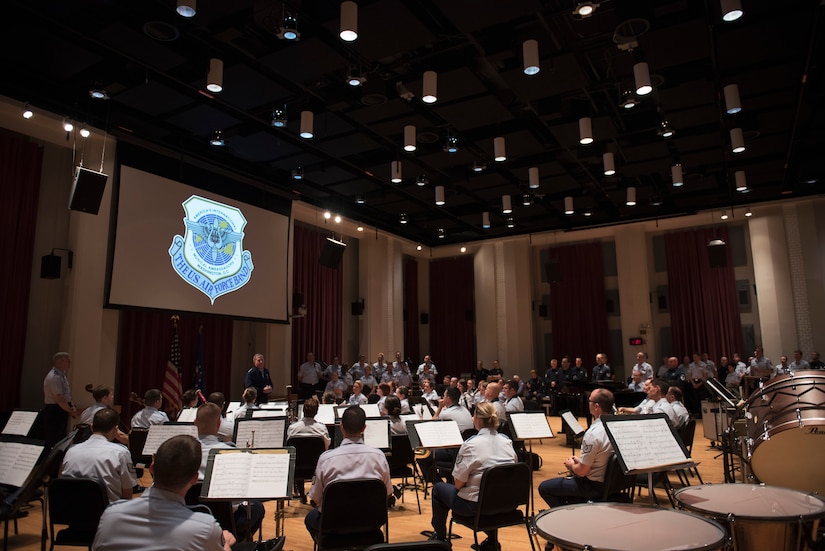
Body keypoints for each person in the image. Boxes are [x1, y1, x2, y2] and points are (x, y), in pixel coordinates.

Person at [93, 434, 236, 551]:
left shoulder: (110, 516)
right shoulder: (205, 527)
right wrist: (226, 545)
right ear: (194, 479)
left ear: (152, 469)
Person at [429, 402, 516, 549]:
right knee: (493, 491)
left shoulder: (470, 445)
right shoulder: (507, 442)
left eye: (474, 415)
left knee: (438, 489)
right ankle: (492, 542)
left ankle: (440, 538)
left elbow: (458, 484)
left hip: (475, 507)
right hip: (507, 503)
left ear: (478, 420)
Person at [305, 406, 392, 538]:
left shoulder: (326, 459)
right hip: (370, 523)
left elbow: (316, 499)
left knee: (310, 517)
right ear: (364, 428)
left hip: (333, 524)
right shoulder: (379, 456)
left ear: (341, 427)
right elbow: (387, 493)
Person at [195, 404, 264, 539]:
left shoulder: (183, 450)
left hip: (191, 517)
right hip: (227, 520)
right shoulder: (231, 452)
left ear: (195, 422)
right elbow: (242, 493)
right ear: (219, 423)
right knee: (258, 507)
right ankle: (237, 541)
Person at [538, 389, 614, 508]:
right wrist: (582, 461)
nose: (587, 403)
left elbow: (582, 472)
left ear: (596, 406)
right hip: (613, 484)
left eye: (590, 401)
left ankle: (571, 517)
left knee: (544, 488)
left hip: (593, 486)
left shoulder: (593, 433)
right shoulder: (617, 427)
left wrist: (571, 465)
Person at [61, 407, 137, 503]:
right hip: (106, 513)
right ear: (115, 430)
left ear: (92, 427)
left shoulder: (71, 451)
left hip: (71, 511)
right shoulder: (121, 452)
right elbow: (127, 492)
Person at [42, 351, 77, 449]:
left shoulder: (62, 375)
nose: (70, 363)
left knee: (61, 438)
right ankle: (49, 462)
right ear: (60, 362)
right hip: (55, 410)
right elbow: (59, 399)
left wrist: (71, 407)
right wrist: (71, 411)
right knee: (54, 439)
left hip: (61, 409)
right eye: (67, 361)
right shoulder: (54, 377)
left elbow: (67, 395)